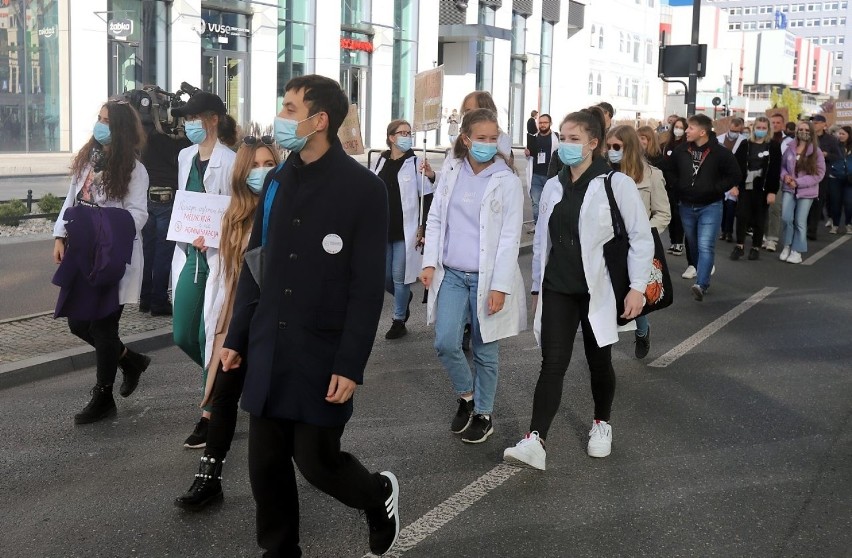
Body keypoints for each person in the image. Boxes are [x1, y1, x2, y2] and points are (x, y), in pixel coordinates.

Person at [220, 75, 400, 557]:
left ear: (319, 121)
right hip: (269, 344)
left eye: (291, 108)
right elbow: (256, 262)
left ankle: (376, 495)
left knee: (316, 463)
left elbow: (366, 288)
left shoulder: (364, 189)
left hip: (322, 350)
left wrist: (350, 363)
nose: (283, 116)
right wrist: (237, 335)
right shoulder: (277, 179)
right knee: (265, 466)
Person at [502, 108, 653, 471]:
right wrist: (537, 287)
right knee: (552, 363)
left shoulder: (616, 184)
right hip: (558, 287)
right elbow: (542, 242)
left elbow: (640, 238)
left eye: (574, 139)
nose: (566, 145)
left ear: (593, 143)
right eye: (563, 138)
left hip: (598, 289)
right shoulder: (554, 185)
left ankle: (602, 423)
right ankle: (535, 439)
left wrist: (636, 288)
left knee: (599, 362)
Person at [174, 135, 281, 511]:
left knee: (276, 400)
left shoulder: (282, 209)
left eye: (269, 164)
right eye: (255, 165)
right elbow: (222, 272)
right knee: (223, 395)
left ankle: (311, 466)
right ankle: (209, 478)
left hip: (273, 317)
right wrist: (205, 246)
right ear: (241, 171)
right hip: (234, 317)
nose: (262, 172)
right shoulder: (231, 214)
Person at [420, 108, 526, 444]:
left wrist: (500, 286)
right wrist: (429, 262)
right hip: (451, 274)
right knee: (445, 342)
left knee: (485, 350)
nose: (488, 144)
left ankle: (483, 413)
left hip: (486, 278)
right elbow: (436, 218)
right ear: (465, 139)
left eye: (493, 139)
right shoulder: (451, 172)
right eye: (481, 138)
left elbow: (510, 237)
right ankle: (466, 396)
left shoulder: (506, 181)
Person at [53, 100, 151, 424]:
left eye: (106, 120)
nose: (99, 124)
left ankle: (103, 396)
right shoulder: (88, 160)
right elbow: (72, 199)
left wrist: (103, 224)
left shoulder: (135, 171)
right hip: (84, 253)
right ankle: (129, 360)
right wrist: (60, 235)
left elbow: (138, 214)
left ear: (120, 129)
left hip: (113, 256)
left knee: (103, 326)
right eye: (98, 118)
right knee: (78, 322)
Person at [169, 92, 238, 448]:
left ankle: (210, 411)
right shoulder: (185, 157)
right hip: (189, 257)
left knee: (208, 335)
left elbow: (238, 210)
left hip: (219, 257)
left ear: (211, 119)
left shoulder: (231, 160)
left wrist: (215, 233)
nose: (187, 124)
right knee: (183, 333)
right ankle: (228, 385)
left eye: (193, 118)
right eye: (185, 119)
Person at [606, 125, 670, 359]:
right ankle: (604, 351)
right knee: (608, 296)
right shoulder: (602, 174)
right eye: (609, 146)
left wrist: (643, 232)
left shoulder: (652, 175)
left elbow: (663, 213)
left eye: (617, 147)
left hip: (636, 246)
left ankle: (642, 332)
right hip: (609, 245)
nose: (611, 151)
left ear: (629, 148)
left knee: (634, 292)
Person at [662, 114, 741, 301]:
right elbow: (668, 169)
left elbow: (735, 174)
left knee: (706, 245)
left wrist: (716, 188)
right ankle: (702, 269)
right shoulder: (681, 150)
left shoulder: (720, 153)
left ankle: (701, 284)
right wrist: (677, 185)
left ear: (702, 132)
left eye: (690, 128)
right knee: (693, 243)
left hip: (710, 205)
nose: (686, 131)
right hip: (686, 205)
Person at [130, 90, 192, 317]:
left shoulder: (146, 137)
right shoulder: (179, 142)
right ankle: (158, 301)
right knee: (164, 253)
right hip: (168, 199)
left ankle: (145, 299)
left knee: (148, 251)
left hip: (149, 198)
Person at [371, 119, 434, 339]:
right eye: (402, 132)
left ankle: (398, 320)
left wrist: (423, 226)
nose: (407, 136)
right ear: (391, 137)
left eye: (409, 133)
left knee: (400, 277)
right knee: (384, 277)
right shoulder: (380, 160)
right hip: (382, 228)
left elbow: (427, 195)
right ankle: (403, 297)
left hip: (405, 230)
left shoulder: (416, 162)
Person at [729, 116, 782, 261]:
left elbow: (775, 170)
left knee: (760, 218)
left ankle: (755, 247)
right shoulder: (745, 144)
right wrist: (734, 185)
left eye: (764, 128)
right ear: (754, 129)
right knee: (742, 215)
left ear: (768, 130)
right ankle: (739, 246)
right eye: (758, 128)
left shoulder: (774, 146)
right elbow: (736, 165)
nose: (761, 130)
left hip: (763, 187)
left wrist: (772, 191)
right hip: (746, 185)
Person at [779, 120, 826, 264]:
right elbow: (783, 167)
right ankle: (787, 245)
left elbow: (819, 174)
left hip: (807, 191)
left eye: (806, 130)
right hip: (789, 189)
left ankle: (797, 250)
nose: (803, 132)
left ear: (811, 132)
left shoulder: (816, 151)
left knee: (800, 221)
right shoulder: (789, 148)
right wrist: (785, 176)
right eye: (801, 129)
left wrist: (798, 182)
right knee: (786, 218)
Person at [807, 114, 843, 240]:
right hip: (806, 173)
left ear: (823, 124)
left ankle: (812, 230)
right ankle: (804, 226)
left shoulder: (831, 140)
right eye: (812, 122)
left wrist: (826, 155)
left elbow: (838, 157)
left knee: (817, 202)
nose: (814, 125)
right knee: (805, 201)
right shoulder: (807, 137)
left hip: (822, 175)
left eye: (816, 123)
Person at [524, 113, 559, 224]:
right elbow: (530, 157)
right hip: (536, 176)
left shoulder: (557, 137)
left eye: (545, 122)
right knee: (536, 204)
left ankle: (548, 228)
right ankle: (538, 227)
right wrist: (527, 154)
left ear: (550, 123)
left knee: (550, 203)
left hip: (551, 176)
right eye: (540, 123)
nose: (542, 125)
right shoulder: (533, 138)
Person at [660, 117, 687, 257]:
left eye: (681, 127)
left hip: (680, 184)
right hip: (667, 184)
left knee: (678, 214)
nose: (678, 130)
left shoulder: (687, 145)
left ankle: (679, 243)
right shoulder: (667, 145)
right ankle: (673, 241)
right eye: (676, 126)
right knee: (670, 214)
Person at [718, 117, 747, 244]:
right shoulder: (719, 139)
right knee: (722, 206)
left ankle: (728, 231)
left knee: (730, 206)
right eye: (731, 130)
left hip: (733, 178)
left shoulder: (743, 142)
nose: (733, 132)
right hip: (720, 177)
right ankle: (723, 230)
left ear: (740, 129)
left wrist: (736, 183)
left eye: (736, 130)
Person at [828, 125, 852, 234]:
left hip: (849, 179)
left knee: (849, 203)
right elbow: (830, 157)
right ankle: (835, 225)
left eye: (843, 134)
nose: (840, 136)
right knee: (835, 202)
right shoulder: (835, 145)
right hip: (835, 177)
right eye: (839, 133)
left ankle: (848, 224)